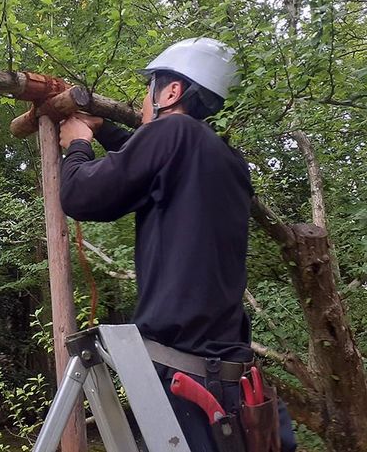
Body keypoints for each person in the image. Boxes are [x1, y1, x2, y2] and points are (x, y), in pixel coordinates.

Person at [57, 37, 296, 451]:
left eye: (147, 92)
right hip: (230, 380)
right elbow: (149, 165)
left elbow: (80, 195)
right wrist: (105, 130)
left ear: (171, 91)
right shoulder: (229, 161)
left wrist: (77, 143)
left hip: (184, 380)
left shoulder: (172, 133)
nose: (143, 104)